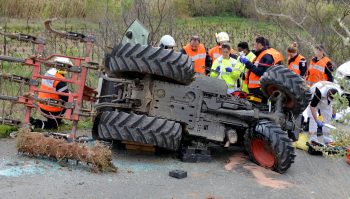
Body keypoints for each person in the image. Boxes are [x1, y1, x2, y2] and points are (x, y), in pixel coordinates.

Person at [30, 57, 71, 129]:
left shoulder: (49, 72)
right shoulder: (60, 80)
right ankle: (36, 123)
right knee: (54, 125)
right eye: (67, 66)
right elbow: (65, 97)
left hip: (42, 104)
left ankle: (57, 120)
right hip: (52, 108)